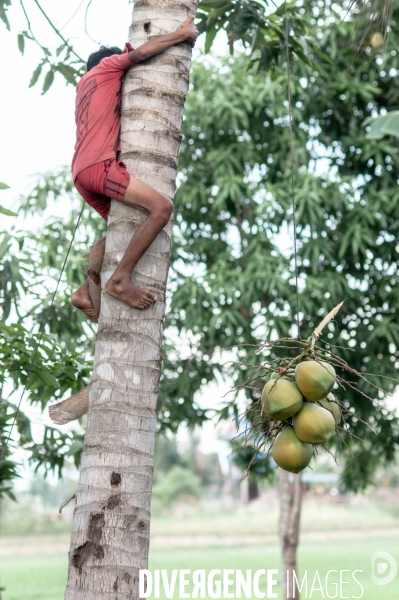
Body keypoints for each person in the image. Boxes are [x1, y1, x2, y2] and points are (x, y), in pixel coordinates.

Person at [71, 16, 199, 322]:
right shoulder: (108, 67)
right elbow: (140, 54)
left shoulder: (83, 86)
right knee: (161, 208)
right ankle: (119, 279)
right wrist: (180, 34)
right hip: (99, 167)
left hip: (81, 172)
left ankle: (83, 290)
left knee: (124, 226)